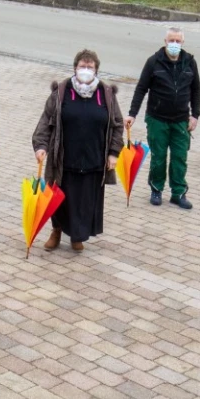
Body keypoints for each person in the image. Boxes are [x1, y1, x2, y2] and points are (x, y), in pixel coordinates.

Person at [33, 51, 125, 252]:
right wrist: (41, 146)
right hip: (64, 157)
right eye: (82, 66)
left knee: (85, 201)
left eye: (90, 67)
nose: (85, 70)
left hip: (93, 158)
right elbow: (45, 122)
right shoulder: (61, 92)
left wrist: (113, 152)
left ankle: (77, 235)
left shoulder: (106, 94)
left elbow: (117, 125)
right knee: (59, 197)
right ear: (75, 68)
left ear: (96, 70)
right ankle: (56, 230)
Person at [126, 26, 200, 209]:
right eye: (171, 40)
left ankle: (178, 193)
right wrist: (132, 113)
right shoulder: (154, 62)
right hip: (157, 118)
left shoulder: (190, 63)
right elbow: (141, 88)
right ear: (165, 42)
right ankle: (156, 189)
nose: (174, 44)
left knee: (179, 157)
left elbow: (196, 89)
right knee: (158, 157)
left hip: (181, 120)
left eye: (177, 41)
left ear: (182, 43)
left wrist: (195, 115)